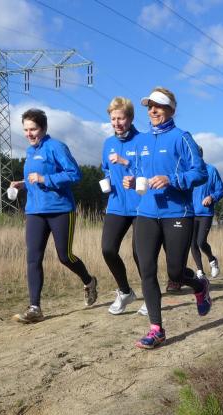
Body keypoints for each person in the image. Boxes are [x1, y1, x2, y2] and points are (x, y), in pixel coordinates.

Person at [124, 87, 211, 349]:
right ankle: (156, 329)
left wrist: (171, 179)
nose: (153, 111)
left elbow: (201, 173)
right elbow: (137, 170)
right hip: (146, 213)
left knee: (175, 273)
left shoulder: (182, 138)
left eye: (158, 106)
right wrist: (132, 181)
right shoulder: (141, 141)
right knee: (147, 269)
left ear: (171, 109)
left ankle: (199, 285)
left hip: (177, 212)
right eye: (149, 106)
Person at [10, 108, 97, 323]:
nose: (29, 134)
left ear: (44, 128)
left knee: (64, 256)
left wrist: (45, 179)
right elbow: (35, 178)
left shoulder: (56, 147)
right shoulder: (30, 151)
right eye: (26, 130)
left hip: (60, 210)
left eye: (33, 129)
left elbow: (74, 174)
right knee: (33, 258)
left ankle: (89, 281)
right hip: (34, 211)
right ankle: (35, 307)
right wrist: (23, 184)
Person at [100, 97, 143, 316]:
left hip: (140, 205)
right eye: (113, 119)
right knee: (108, 249)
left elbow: (150, 169)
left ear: (131, 118)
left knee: (140, 254)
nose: (117, 123)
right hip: (116, 204)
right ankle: (125, 292)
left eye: (121, 118)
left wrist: (127, 162)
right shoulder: (108, 143)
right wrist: (106, 180)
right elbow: (106, 168)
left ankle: (150, 296)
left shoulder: (143, 141)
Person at [191, 146, 223, 279]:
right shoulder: (188, 172)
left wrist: (212, 197)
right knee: (192, 243)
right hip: (190, 213)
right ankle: (200, 271)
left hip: (205, 213)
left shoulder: (211, 170)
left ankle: (212, 260)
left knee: (201, 242)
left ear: (201, 155)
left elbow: (221, 190)